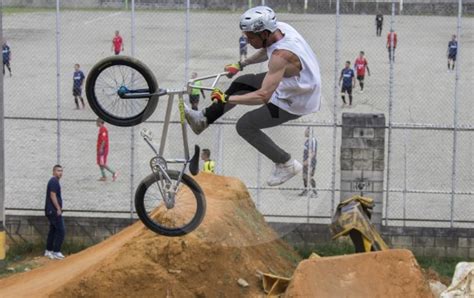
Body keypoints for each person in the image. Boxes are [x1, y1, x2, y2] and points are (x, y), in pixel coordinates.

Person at [184, 6, 321, 186]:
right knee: (243, 82)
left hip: (296, 101)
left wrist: (226, 99)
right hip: (295, 85)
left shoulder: (281, 56)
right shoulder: (280, 29)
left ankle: (285, 163)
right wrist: (242, 64)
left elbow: (262, 96)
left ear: (264, 33)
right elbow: (267, 50)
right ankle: (203, 119)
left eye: (250, 37)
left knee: (245, 125)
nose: (247, 41)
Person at [44, 165, 66, 260]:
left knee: (53, 230)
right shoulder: (54, 181)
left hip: (51, 210)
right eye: (58, 171)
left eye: (61, 171)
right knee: (61, 230)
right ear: (53, 172)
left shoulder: (55, 181)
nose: (60, 173)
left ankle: (48, 251)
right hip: (53, 210)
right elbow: (52, 195)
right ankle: (56, 251)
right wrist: (58, 208)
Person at [299, 127, 318, 197]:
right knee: (304, 176)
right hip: (305, 162)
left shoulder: (312, 140)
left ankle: (315, 192)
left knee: (309, 176)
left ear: (309, 132)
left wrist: (307, 161)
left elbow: (313, 153)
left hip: (311, 162)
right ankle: (306, 190)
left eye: (306, 131)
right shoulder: (307, 141)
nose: (304, 132)